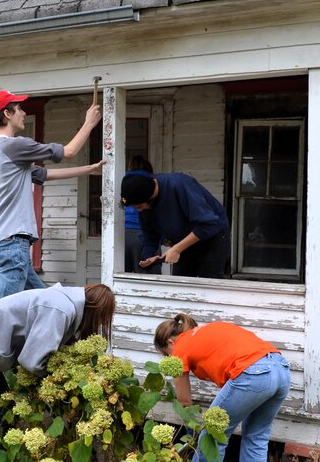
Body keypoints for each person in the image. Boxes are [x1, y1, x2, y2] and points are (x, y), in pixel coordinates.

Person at [0, 283, 116, 462]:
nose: (100, 325)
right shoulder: (60, 310)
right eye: (101, 320)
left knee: (4, 414)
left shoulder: (63, 303)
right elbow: (32, 361)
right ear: (94, 310)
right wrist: (59, 380)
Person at [0, 89, 104, 301]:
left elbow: (44, 175)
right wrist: (90, 123)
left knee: (48, 302)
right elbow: (69, 152)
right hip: (11, 243)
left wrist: (89, 169)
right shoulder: (14, 145)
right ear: (7, 114)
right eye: (19, 108)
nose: (23, 113)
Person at [153, 313, 290, 462]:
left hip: (253, 373)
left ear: (170, 341)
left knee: (211, 436)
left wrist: (192, 433)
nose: (170, 358)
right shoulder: (207, 330)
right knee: (256, 435)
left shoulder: (179, 345)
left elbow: (184, 402)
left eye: (167, 354)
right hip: (281, 369)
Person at [120, 172, 230, 278]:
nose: (140, 211)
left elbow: (208, 224)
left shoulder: (179, 185)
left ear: (148, 198)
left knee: (208, 284)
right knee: (181, 283)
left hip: (213, 236)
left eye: (139, 207)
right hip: (183, 241)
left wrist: (177, 249)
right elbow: (149, 238)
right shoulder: (143, 204)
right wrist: (149, 257)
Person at [124, 155, 160, 274]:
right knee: (148, 274)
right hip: (143, 233)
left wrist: (125, 203)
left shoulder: (124, 180)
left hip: (123, 233)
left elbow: (122, 200)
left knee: (124, 274)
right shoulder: (150, 181)